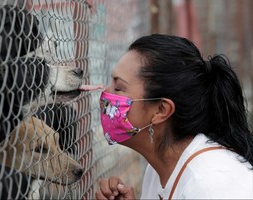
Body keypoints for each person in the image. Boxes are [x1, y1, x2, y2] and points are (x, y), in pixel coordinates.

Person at [95, 34, 253, 199]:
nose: (105, 92)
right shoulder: (158, 171)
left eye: (119, 88)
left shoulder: (210, 184)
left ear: (161, 110)